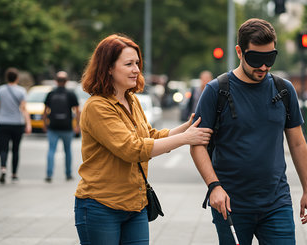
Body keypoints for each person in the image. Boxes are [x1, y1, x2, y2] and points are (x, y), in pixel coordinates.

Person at [74, 34, 213, 245]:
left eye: (137, 63)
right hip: (100, 206)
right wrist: (185, 138)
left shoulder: (132, 100)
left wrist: (186, 128)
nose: (136, 70)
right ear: (108, 68)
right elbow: (132, 149)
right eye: (128, 64)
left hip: (136, 206)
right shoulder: (97, 106)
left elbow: (150, 137)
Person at [190, 18, 307, 245]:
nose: (264, 67)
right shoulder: (216, 91)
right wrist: (213, 187)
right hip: (229, 204)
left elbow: (297, 143)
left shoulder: (284, 90)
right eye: (256, 59)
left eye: (270, 59)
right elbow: (197, 145)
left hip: (277, 202)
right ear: (240, 51)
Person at [0, 67, 32, 184]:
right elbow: (24, 109)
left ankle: (3, 169)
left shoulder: (0, 90)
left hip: (3, 123)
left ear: (6, 78)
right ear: (17, 78)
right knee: (15, 149)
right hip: (17, 124)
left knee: (3, 148)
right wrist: (28, 124)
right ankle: (14, 174)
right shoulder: (21, 91)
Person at [42, 71, 80, 183]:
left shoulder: (51, 93)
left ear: (56, 81)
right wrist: (77, 125)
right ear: (66, 81)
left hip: (53, 126)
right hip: (67, 127)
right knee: (67, 151)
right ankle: (68, 174)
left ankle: (49, 174)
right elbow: (77, 111)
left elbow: (45, 111)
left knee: (51, 150)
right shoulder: (70, 94)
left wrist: (44, 123)